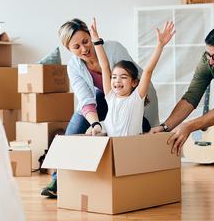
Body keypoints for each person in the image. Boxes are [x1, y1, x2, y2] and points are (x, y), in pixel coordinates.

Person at [40, 18, 160, 198]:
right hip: (109, 99)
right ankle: (59, 178)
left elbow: (133, 78)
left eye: (85, 41)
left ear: (90, 36)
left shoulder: (113, 49)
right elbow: (86, 99)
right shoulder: (74, 66)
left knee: (140, 133)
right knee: (80, 119)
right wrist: (96, 124)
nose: (84, 49)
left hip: (138, 97)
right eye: (76, 47)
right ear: (69, 49)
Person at [150, 26, 214, 156]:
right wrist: (165, 127)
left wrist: (189, 126)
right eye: (209, 55)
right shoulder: (209, 60)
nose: (211, 61)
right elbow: (191, 96)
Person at [91, 19, 175, 136]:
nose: (117, 80)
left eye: (123, 77)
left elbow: (148, 71)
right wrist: (96, 41)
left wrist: (160, 45)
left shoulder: (136, 99)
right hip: (112, 147)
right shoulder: (110, 96)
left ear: (134, 82)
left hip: (131, 147)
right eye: (114, 77)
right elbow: (105, 67)